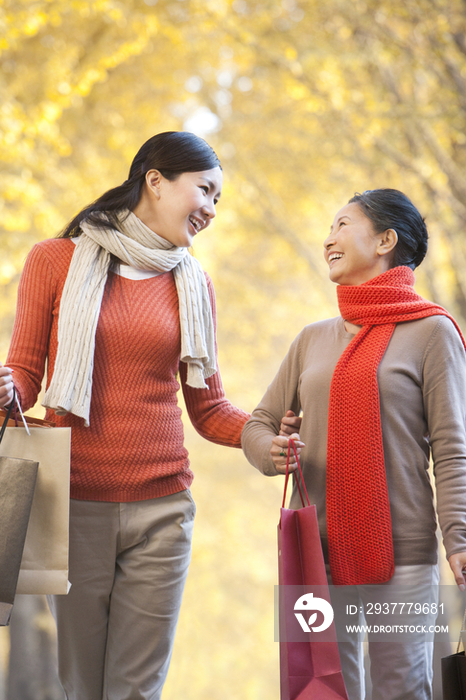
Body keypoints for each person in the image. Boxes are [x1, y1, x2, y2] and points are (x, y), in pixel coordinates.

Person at [0, 130, 297, 700]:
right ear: (155, 181)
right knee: (82, 686)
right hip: (75, 505)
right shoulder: (55, 261)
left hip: (163, 510)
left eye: (219, 200)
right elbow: (27, 378)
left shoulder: (192, 283)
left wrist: (265, 437)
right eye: (205, 190)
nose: (211, 209)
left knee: (136, 691)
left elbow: (208, 409)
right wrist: (5, 387)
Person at [241, 188, 466, 700]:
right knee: (320, 691)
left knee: (403, 689)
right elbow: (259, 423)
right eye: (329, 228)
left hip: (402, 555)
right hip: (313, 555)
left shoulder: (432, 331)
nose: (328, 239)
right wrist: (271, 451)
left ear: (386, 240)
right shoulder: (312, 338)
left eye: (343, 225)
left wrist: (459, 538)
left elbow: (453, 450)